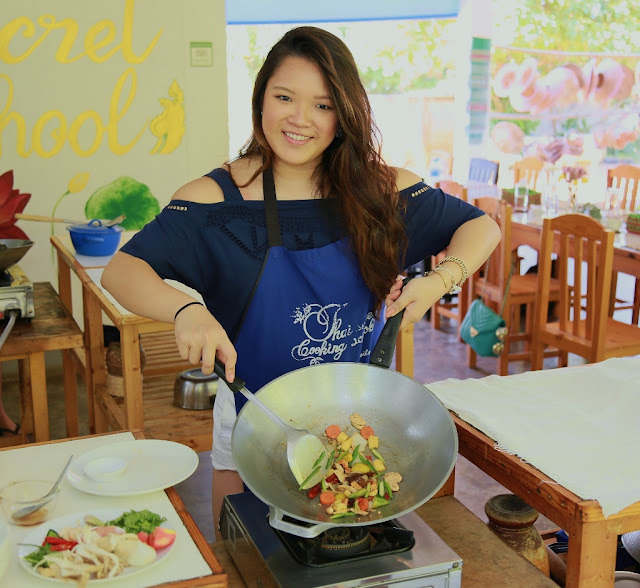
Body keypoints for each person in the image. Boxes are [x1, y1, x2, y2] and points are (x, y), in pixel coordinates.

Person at [101, 26, 500, 538]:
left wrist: (440, 279)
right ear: (261, 99)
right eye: (284, 97)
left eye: (323, 105)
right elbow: (123, 269)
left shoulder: (383, 191)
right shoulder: (214, 199)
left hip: (359, 420)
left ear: (346, 114)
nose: (299, 119)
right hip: (253, 414)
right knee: (245, 550)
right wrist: (185, 310)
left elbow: (481, 227)